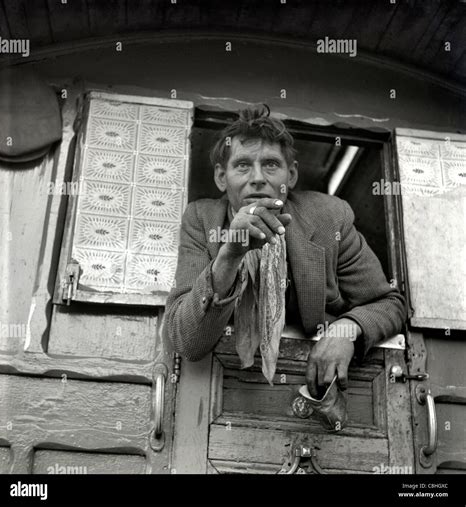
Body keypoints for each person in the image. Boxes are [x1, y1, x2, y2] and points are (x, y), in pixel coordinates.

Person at [162, 105, 406, 396]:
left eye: (271, 165)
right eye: (242, 165)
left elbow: (389, 304)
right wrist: (230, 254)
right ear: (220, 177)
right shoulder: (201, 220)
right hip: (222, 392)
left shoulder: (330, 217)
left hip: (314, 392)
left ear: (290, 176)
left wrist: (346, 330)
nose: (257, 178)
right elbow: (187, 341)